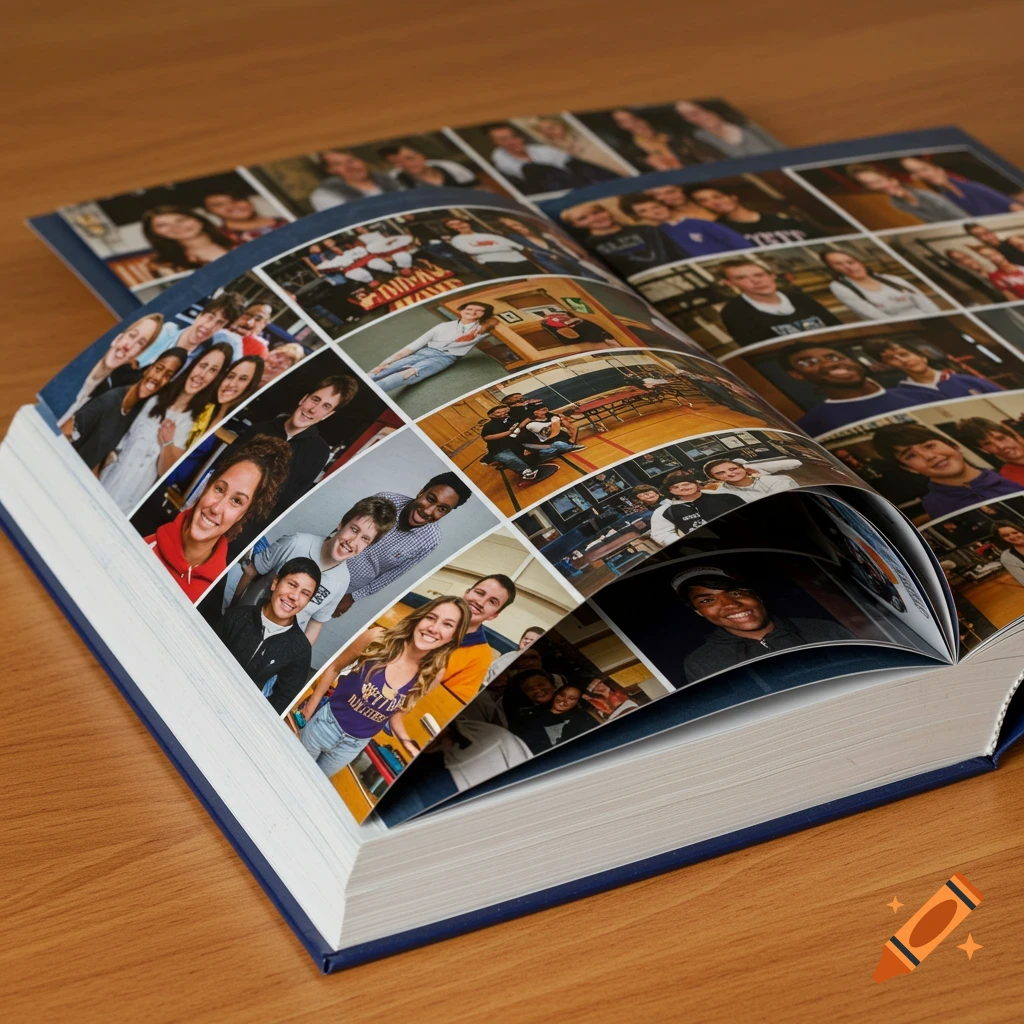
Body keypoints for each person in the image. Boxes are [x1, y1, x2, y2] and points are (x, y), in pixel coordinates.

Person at [298, 596, 470, 773]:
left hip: (352, 747)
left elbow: (396, 714)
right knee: (293, 772)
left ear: (453, 637)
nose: (434, 628)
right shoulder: (377, 637)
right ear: (419, 617)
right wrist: (310, 707)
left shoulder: (433, 674)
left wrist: (408, 744)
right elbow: (334, 667)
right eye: (431, 617)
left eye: (447, 624)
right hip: (325, 724)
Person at [231, 495, 397, 645]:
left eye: (365, 539)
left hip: (273, 645)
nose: (353, 542)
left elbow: (316, 624)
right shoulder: (296, 543)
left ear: (368, 546)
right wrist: (232, 610)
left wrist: (295, 659)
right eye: (354, 529)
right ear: (341, 524)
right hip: (241, 626)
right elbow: (252, 570)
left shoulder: (342, 581)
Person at [221, 374, 359, 554]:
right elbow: (223, 465)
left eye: (325, 406)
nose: (313, 409)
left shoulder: (318, 452)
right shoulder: (261, 429)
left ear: (328, 414)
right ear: (304, 399)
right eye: (315, 400)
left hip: (248, 530)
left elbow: (288, 501)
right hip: (221, 507)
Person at [145, 435, 291, 601]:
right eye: (220, 489)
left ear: (243, 515)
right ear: (207, 486)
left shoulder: (212, 595)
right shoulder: (146, 540)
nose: (216, 508)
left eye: (236, 501)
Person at [99, 343, 232, 513]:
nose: (203, 374)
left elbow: (165, 471)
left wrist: (167, 442)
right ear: (194, 365)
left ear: (216, 378)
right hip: (105, 480)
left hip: (128, 503)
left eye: (213, 370)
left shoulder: (194, 422)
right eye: (203, 365)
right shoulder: (156, 397)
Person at [673, 566, 855, 683]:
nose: (731, 604)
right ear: (699, 612)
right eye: (707, 600)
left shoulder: (825, 630)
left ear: (756, 596)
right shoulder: (700, 663)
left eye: (735, 593)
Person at [331, 473, 473, 618]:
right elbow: (345, 527)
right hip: (328, 563)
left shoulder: (431, 540)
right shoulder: (386, 500)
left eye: (442, 509)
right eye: (430, 499)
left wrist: (353, 597)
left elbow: (394, 574)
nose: (429, 511)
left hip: (347, 588)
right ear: (422, 491)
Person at [214, 557, 322, 713]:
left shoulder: (300, 650)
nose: (294, 596)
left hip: (241, 713)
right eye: (292, 584)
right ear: (275, 583)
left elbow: (281, 701)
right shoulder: (238, 617)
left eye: (305, 594)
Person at [64, 348, 186, 474]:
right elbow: (65, 432)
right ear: (150, 367)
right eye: (158, 369)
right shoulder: (109, 401)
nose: (158, 378)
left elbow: (96, 458)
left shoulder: (136, 411)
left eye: (168, 376)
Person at [871, 423, 1022, 518]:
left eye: (929, 446)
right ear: (909, 468)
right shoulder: (934, 505)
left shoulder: (1009, 477)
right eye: (910, 456)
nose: (929, 456)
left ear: (953, 445)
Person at [781, 342, 936, 435]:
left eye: (833, 357)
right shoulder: (810, 426)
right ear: (796, 374)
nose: (830, 364)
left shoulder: (922, 394)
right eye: (808, 362)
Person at [369, 300, 497, 393]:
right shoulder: (443, 327)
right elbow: (413, 346)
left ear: (484, 314)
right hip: (425, 352)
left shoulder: (482, 328)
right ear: (461, 311)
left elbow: (495, 321)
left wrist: (482, 327)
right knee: (382, 369)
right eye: (469, 309)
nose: (473, 312)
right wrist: (386, 362)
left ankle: (372, 393)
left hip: (446, 357)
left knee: (408, 373)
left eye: (479, 310)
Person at [58, 313, 165, 423]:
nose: (128, 346)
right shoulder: (74, 361)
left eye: (140, 343)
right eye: (132, 335)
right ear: (118, 338)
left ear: (138, 355)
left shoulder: (108, 399)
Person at [717, 259, 841, 345]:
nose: (755, 281)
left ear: (772, 276)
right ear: (729, 283)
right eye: (742, 278)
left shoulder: (800, 298)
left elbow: (836, 326)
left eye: (759, 275)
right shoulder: (734, 312)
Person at [561, 203, 687, 276]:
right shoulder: (588, 247)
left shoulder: (646, 229)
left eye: (597, 212)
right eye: (583, 218)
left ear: (607, 212)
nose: (595, 218)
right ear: (576, 225)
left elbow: (678, 252)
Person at [484, 123, 616, 192]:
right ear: (496, 143)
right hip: (549, 188)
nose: (513, 142)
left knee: (577, 164)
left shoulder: (541, 150)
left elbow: (569, 163)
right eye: (504, 140)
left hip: (576, 180)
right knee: (534, 169)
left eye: (514, 136)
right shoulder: (500, 160)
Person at [618, 193, 752, 259]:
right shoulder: (652, 236)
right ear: (636, 217)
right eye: (643, 211)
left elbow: (738, 241)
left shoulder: (697, 223)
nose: (654, 211)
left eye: (656, 206)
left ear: (665, 205)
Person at [862, 339, 1003, 400]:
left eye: (905, 354)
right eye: (892, 359)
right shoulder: (902, 394)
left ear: (922, 356)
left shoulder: (968, 380)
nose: (903, 360)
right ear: (887, 366)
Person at [820, 250, 942, 319]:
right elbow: (873, 314)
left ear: (859, 262)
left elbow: (925, 302)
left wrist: (936, 319)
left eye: (851, 262)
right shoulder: (839, 287)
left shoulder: (893, 279)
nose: (848, 267)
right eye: (838, 264)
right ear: (832, 268)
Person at [690, 187, 827, 246]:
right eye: (704, 201)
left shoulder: (778, 217)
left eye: (717, 196)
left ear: (733, 197)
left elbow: (819, 236)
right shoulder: (720, 230)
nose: (715, 202)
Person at [138, 293, 241, 367]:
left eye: (219, 323)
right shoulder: (166, 331)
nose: (209, 326)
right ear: (199, 316)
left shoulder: (200, 361)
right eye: (210, 317)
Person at [185, 355, 265, 448]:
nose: (231, 384)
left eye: (242, 379)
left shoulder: (238, 426)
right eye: (230, 376)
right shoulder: (201, 407)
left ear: (250, 386)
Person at [899, 157, 1023, 217]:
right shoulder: (946, 198)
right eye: (916, 173)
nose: (924, 175)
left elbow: (1013, 205)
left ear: (939, 169)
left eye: (925, 169)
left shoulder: (973, 184)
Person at [649, 470, 745, 545]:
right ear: (670, 491)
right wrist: (690, 544)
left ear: (696, 484)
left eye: (686, 484)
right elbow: (661, 534)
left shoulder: (725, 496)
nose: (682, 488)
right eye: (675, 487)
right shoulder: (663, 511)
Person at [844, 164, 965, 224]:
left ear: (888, 177)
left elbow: (957, 212)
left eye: (879, 180)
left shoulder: (921, 185)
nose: (881, 185)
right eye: (871, 184)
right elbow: (930, 221)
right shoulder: (895, 203)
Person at [141, 206, 236, 276]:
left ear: (199, 220)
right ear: (154, 233)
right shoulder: (166, 266)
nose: (175, 227)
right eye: (162, 225)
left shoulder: (237, 240)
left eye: (181, 220)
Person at [481, 405, 557, 485]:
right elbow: (486, 437)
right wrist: (508, 433)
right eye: (498, 412)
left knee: (544, 451)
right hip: (499, 450)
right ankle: (527, 473)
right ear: (492, 415)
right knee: (511, 459)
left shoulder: (511, 420)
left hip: (516, 446)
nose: (503, 413)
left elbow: (522, 423)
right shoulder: (489, 426)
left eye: (504, 411)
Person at [674, 101, 779, 158]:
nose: (697, 118)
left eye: (697, 112)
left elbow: (780, 149)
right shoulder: (698, 141)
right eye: (688, 116)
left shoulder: (747, 126)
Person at [438, 216, 534, 277]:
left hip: (521, 260)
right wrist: (504, 247)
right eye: (453, 225)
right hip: (499, 264)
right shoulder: (457, 240)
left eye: (460, 222)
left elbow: (516, 245)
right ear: (449, 229)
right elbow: (471, 250)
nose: (459, 226)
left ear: (467, 223)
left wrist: (493, 248)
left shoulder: (487, 235)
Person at [515, 683, 596, 753]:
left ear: (577, 702)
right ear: (555, 694)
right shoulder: (534, 717)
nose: (564, 700)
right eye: (562, 695)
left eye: (571, 698)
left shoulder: (581, 719)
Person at [308, 150, 402, 210]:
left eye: (351, 160)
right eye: (338, 164)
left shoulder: (394, 179)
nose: (350, 167)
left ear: (362, 160)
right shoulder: (325, 195)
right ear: (330, 170)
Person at [608, 109, 685, 171]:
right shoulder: (635, 153)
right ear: (621, 126)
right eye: (626, 122)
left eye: (634, 118)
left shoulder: (672, 136)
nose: (634, 124)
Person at [955, 417, 1024, 485]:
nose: (1001, 446)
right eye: (988, 444)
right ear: (982, 449)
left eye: (1001, 438)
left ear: (1012, 435)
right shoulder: (1007, 477)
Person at [378, 142, 479, 189]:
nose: (406, 164)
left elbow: (479, 188)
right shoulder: (397, 181)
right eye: (397, 162)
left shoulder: (448, 167)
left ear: (422, 156)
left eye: (409, 158)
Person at [202, 192, 289, 244]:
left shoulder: (285, 220)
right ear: (209, 211)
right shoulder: (220, 238)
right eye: (219, 205)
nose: (232, 206)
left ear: (249, 201)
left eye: (236, 200)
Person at [702, 457, 802, 501]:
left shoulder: (780, 481)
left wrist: (750, 467)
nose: (730, 474)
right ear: (714, 478)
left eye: (733, 469)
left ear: (744, 468)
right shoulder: (721, 494)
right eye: (720, 473)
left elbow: (795, 462)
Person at [521, 404, 587, 459]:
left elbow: (570, 426)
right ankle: (568, 448)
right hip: (551, 443)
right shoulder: (531, 425)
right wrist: (557, 421)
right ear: (535, 413)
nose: (546, 412)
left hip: (564, 439)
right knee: (557, 445)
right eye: (543, 410)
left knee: (563, 439)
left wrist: (572, 438)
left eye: (546, 409)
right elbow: (552, 433)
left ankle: (566, 447)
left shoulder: (552, 417)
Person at [990, 520, 1024, 586]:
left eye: (1015, 532)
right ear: (1001, 539)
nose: (1012, 537)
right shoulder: (1007, 557)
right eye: (1005, 535)